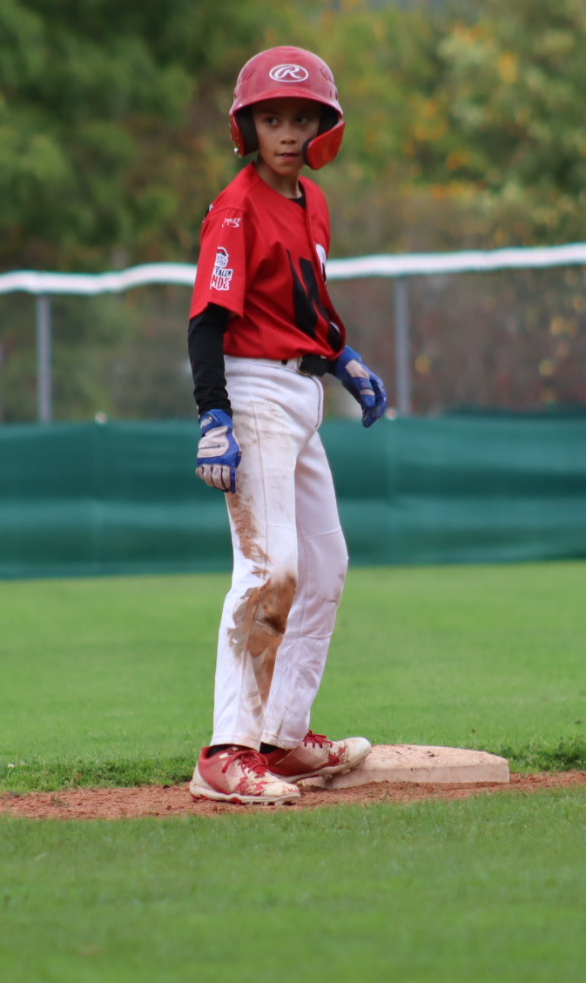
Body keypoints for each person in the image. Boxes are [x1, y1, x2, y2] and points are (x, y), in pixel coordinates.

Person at [185, 46, 389, 804]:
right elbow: (207, 322)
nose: (289, 133)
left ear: (323, 128)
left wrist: (342, 358)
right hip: (253, 394)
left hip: (302, 395)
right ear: (248, 127)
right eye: (272, 118)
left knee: (325, 567)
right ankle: (227, 751)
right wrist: (214, 415)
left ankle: (281, 739)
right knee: (270, 569)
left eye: (303, 118)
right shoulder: (236, 208)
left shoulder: (313, 203)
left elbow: (303, 307)